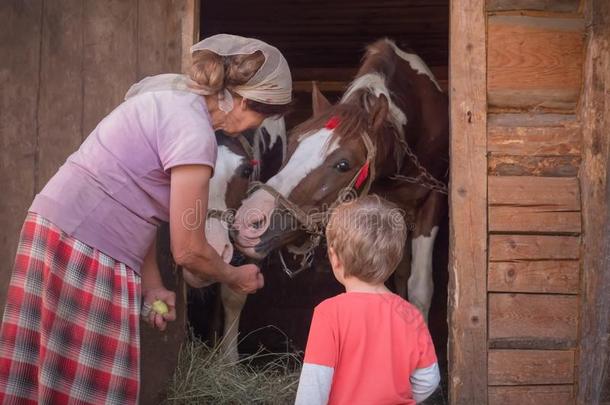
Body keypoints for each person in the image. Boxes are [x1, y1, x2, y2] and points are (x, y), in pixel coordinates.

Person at [0, 34, 292, 404]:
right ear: (246, 101)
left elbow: (139, 206)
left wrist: (152, 285)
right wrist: (235, 275)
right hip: (85, 246)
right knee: (93, 392)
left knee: (45, 380)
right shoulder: (195, 133)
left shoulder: (173, 99)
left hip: (58, 232)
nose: (253, 127)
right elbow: (188, 250)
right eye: (260, 117)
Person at [295, 195, 440, 405]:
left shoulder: (329, 314)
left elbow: (314, 387)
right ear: (396, 259)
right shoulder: (411, 314)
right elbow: (429, 379)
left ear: (334, 258)